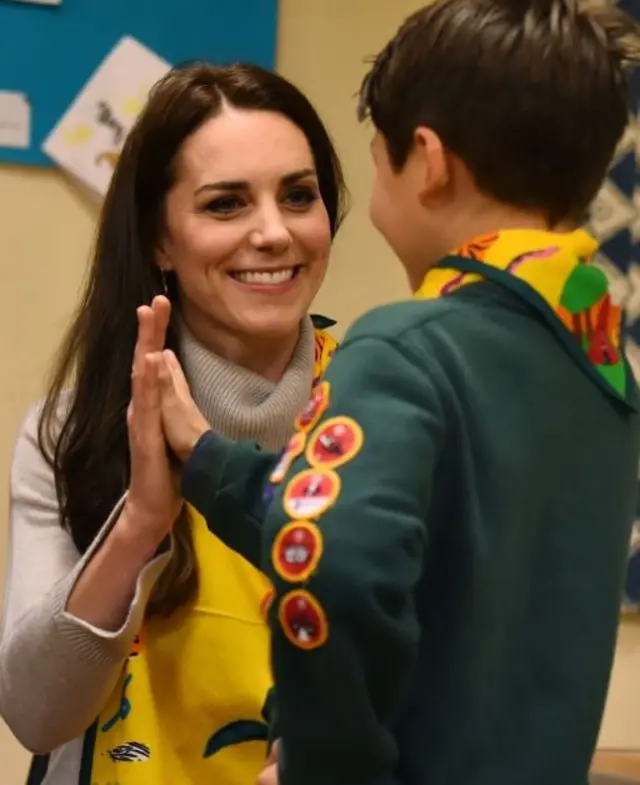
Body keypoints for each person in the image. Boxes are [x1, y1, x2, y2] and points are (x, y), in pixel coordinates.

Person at [139, 1, 640, 784]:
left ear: (428, 161)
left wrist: (321, 761)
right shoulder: (603, 377)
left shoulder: (401, 350)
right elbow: (383, 527)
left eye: (376, 159)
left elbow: (329, 560)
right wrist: (205, 457)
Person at [0, 62, 346, 785]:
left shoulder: (381, 409)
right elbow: (34, 714)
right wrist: (139, 524)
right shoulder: (71, 431)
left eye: (299, 195)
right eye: (226, 204)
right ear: (161, 239)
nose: (275, 232)